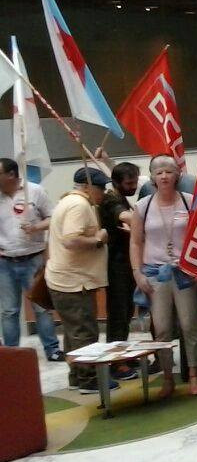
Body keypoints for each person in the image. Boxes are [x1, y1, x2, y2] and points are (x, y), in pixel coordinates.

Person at [129, 156, 197, 397]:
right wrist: (137, 272)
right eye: (158, 172)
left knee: (189, 324)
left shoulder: (189, 202)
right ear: (152, 177)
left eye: (168, 171)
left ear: (177, 175)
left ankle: (192, 374)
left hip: (184, 272)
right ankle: (168, 377)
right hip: (154, 273)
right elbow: (136, 242)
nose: (164, 176)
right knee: (161, 328)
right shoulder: (142, 206)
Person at [46, 167, 116, 394]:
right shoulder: (79, 205)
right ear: (87, 187)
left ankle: (76, 376)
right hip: (75, 282)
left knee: (73, 332)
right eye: (100, 188)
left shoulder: (68, 201)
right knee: (84, 332)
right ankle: (89, 380)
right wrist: (98, 239)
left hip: (69, 279)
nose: (103, 193)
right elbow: (71, 240)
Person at [0, 158, 62, 361]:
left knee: (41, 307)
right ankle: (10, 354)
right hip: (5, 261)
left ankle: (52, 350)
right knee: (9, 310)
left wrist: (35, 227)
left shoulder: (34, 191)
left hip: (33, 257)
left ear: (10, 175)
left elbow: (54, 218)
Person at [99, 162, 140, 380]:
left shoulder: (120, 194)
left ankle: (123, 354)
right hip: (116, 265)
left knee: (126, 313)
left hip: (126, 263)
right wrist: (149, 219)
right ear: (117, 183)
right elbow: (125, 217)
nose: (133, 186)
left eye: (135, 181)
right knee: (118, 314)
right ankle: (116, 363)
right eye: (129, 183)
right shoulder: (110, 200)